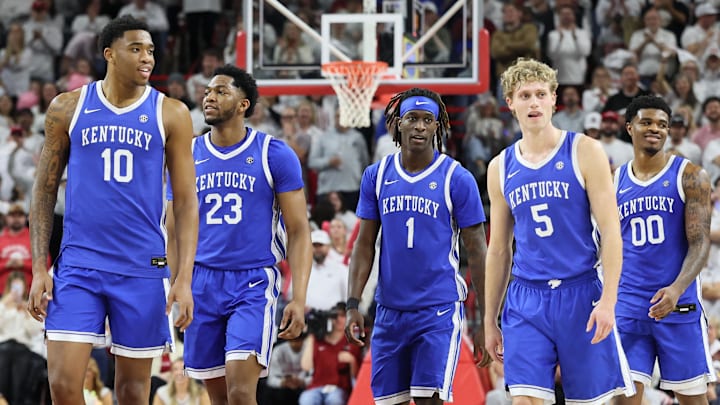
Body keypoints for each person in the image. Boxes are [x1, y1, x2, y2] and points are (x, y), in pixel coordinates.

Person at [27, 15, 199, 405]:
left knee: (133, 392)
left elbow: (187, 202)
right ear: (109, 54)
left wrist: (184, 278)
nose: (147, 58)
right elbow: (44, 190)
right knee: (63, 385)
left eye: (151, 50)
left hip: (141, 266)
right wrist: (40, 266)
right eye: (136, 48)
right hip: (79, 264)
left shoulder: (171, 113)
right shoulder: (67, 107)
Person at [483, 58, 634, 404]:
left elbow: (612, 233)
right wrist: (490, 319)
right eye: (524, 95)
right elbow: (499, 250)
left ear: (554, 99)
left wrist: (609, 301)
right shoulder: (500, 167)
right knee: (524, 399)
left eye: (540, 94)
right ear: (510, 102)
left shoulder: (585, 150)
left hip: (580, 294)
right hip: (525, 299)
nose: (533, 103)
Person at [166, 64, 311, 405]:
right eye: (207, 92)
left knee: (242, 390)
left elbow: (299, 231)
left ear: (244, 104)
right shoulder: (187, 154)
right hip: (200, 281)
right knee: (219, 398)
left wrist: (300, 298)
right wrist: (178, 283)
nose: (210, 97)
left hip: (252, 282)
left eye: (221, 91)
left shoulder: (273, 153)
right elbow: (172, 229)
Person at [344, 87, 489, 405]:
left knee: (429, 402)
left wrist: (485, 320)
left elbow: (478, 252)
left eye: (427, 120)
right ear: (398, 123)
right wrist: (353, 304)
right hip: (389, 311)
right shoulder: (377, 176)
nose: (420, 126)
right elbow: (364, 245)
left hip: (436, 310)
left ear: (438, 126)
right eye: (412, 118)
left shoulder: (457, 178)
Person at [614, 95, 716, 404]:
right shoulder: (614, 180)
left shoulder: (691, 176)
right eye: (646, 122)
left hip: (678, 306)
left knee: (692, 400)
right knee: (622, 399)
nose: (655, 129)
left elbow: (700, 242)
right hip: (630, 307)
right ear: (630, 127)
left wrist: (676, 289)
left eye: (662, 124)